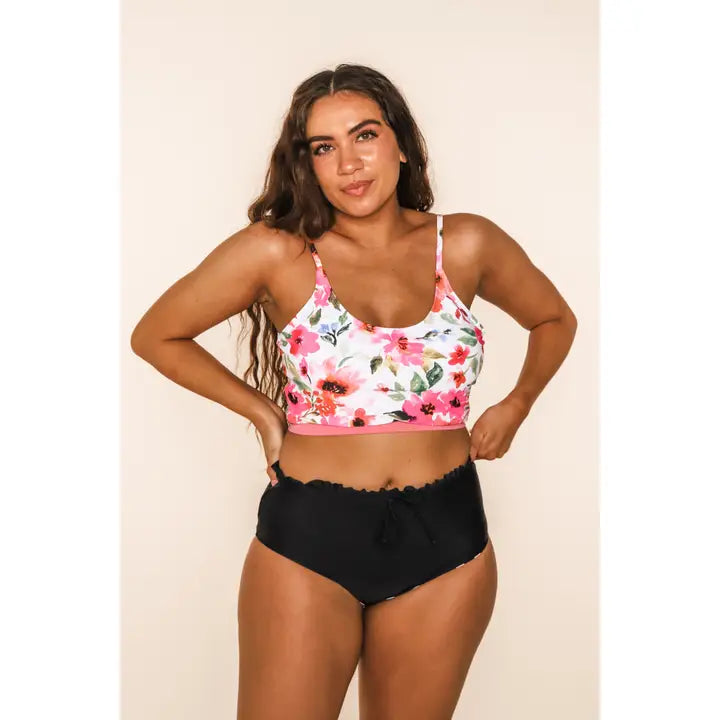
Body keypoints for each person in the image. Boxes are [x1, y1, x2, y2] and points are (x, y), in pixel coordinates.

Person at [131, 63, 577, 720]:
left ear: (402, 143)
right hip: (310, 537)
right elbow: (157, 334)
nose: (348, 163)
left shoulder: (466, 243)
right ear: (306, 164)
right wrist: (263, 413)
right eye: (323, 147)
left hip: (446, 538)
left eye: (364, 135)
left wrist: (518, 402)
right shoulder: (278, 252)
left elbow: (554, 319)